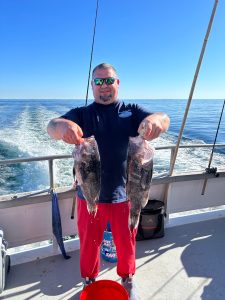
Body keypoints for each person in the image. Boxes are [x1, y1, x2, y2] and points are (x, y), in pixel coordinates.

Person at [47, 63, 170, 300]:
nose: (104, 86)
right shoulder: (82, 114)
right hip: (89, 195)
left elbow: (163, 118)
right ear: (92, 85)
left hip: (126, 194)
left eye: (109, 80)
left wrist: (156, 122)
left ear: (118, 83)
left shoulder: (131, 111)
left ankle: (127, 278)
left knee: (126, 244)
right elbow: (51, 126)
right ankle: (89, 279)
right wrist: (64, 127)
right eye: (99, 81)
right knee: (89, 244)